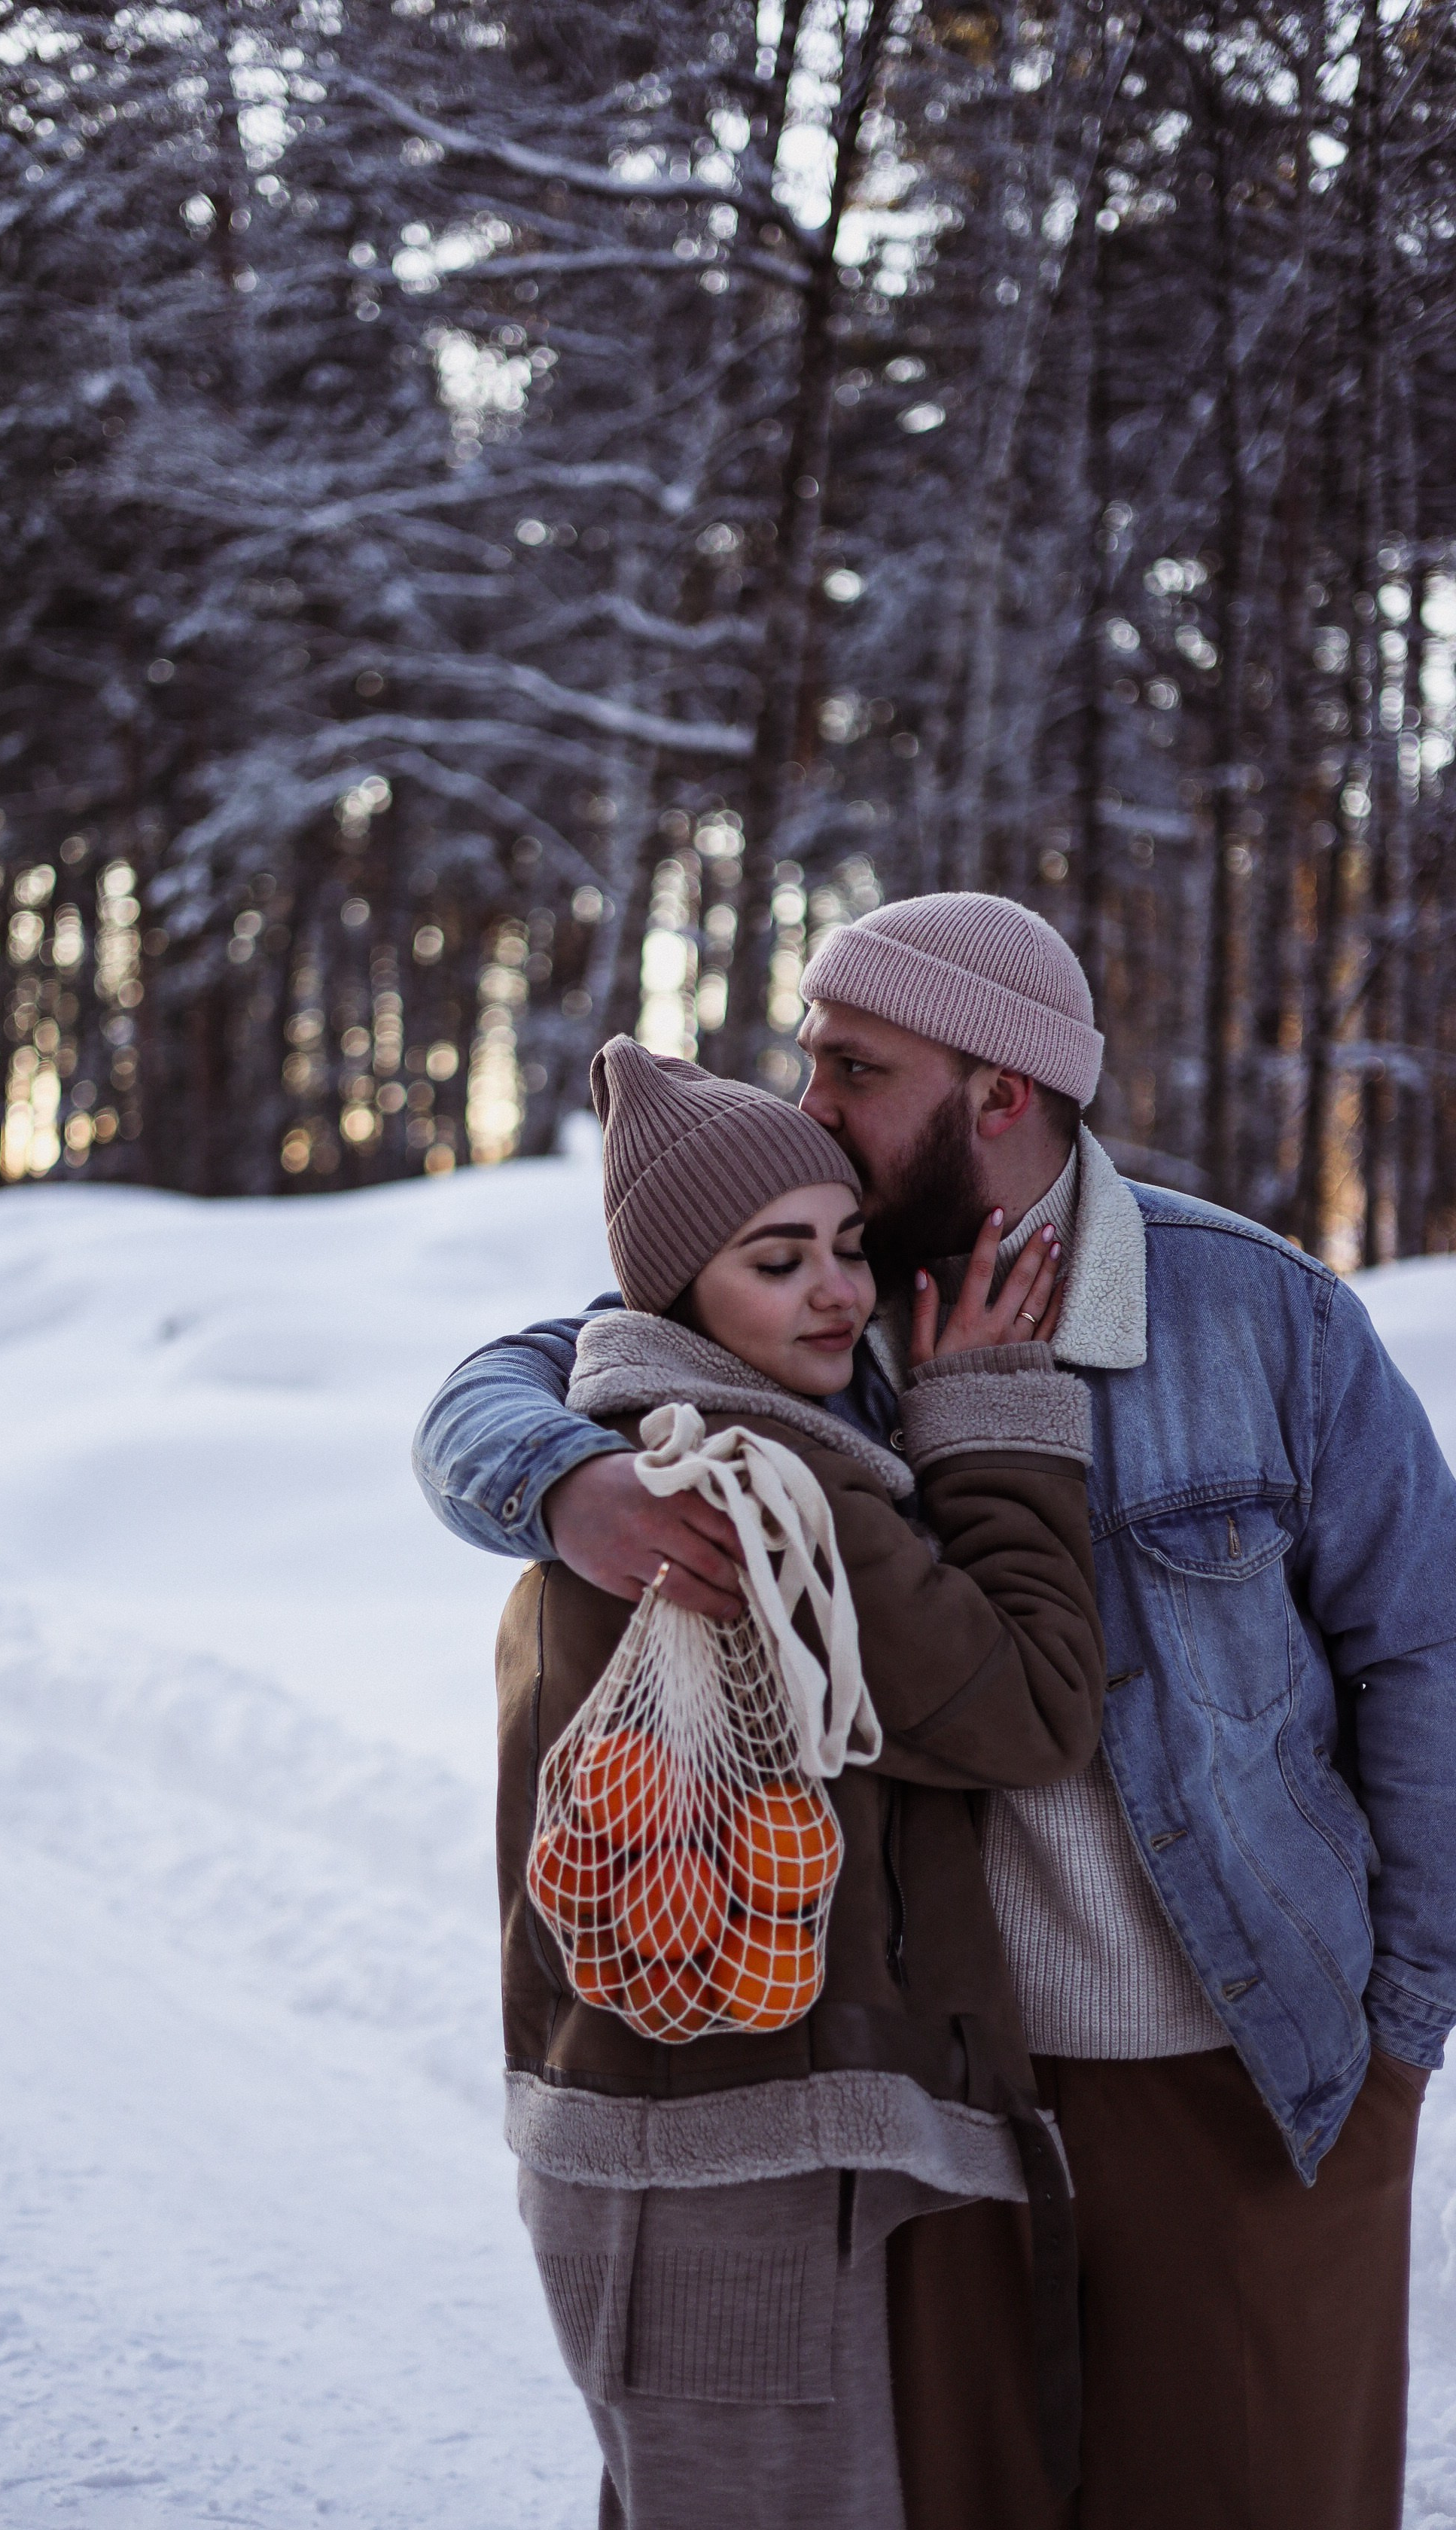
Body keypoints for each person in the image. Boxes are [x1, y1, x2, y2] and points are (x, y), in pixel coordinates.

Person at [416, 892, 1456, 2530]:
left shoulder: (1257, 1316)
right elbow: (506, 1378)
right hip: (940, 2097)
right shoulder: (815, 1285)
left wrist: (1398, 2024)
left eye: (851, 1065)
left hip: (1254, 2071)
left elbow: (1426, 1653)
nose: (807, 1102)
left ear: (999, 1097)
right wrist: (563, 1482)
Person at [493, 1032, 1104, 2528]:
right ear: (676, 1289)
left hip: (691, 2121)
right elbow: (1026, 1711)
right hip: (717, 2158)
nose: (840, 1291)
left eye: (843, 1244)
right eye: (779, 1262)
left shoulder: (631, 1452)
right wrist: (995, 1423)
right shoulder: (753, 1483)